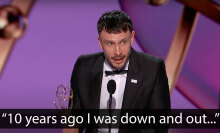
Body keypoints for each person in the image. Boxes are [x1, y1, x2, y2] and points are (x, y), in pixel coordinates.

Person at [67, 10, 170, 133]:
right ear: (100, 42)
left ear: (132, 38)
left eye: (123, 42)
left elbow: (160, 125)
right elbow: (77, 118)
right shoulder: (84, 66)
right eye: (110, 43)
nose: (118, 52)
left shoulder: (153, 68)